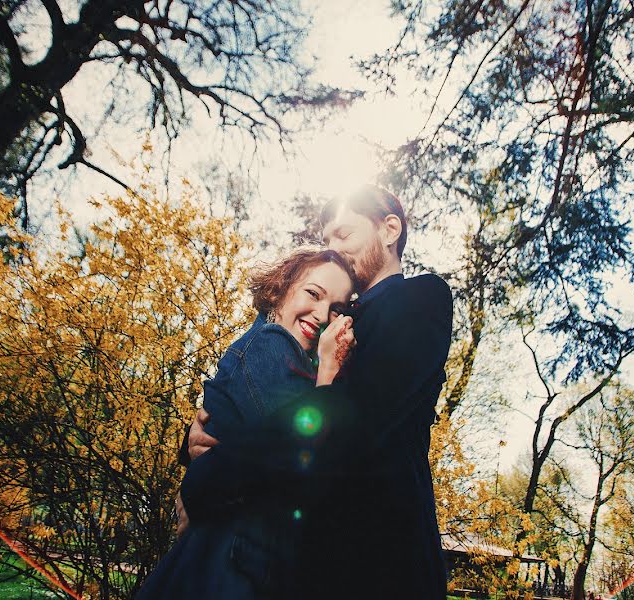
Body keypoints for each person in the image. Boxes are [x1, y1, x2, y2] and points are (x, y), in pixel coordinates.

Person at [177, 185, 454, 599]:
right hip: (301, 567)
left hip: (383, 565)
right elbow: (263, 390)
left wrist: (209, 475)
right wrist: (201, 437)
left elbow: (354, 424)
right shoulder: (324, 324)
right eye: (326, 240)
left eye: (344, 235)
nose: (335, 249)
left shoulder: (419, 299)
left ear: (389, 229)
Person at [136, 247, 358, 599]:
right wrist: (329, 376)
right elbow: (298, 454)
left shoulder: (287, 357)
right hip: (231, 563)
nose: (320, 315)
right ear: (280, 289)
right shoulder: (272, 343)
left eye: (335, 310)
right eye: (312, 294)